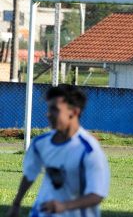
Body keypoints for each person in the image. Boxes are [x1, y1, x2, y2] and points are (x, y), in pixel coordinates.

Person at [7, 84, 110, 217]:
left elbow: (97, 195)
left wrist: (64, 206)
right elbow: (29, 174)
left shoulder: (89, 150)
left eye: (54, 109)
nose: (48, 114)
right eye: (49, 109)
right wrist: (16, 204)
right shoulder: (41, 143)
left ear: (74, 112)